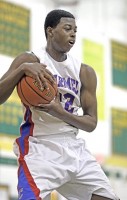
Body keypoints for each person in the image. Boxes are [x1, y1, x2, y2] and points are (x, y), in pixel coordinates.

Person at [0, 9, 119, 200]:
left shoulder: (85, 72)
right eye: (67, 28)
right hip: (40, 146)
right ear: (50, 31)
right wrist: (22, 69)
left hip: (73, 147)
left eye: (75, 30)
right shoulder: (30, 60)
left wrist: (59, 112)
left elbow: (91, 123)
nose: (73, 34)